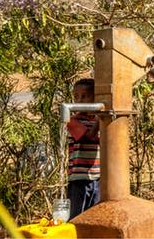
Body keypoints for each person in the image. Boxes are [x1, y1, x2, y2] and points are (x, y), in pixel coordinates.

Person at [66, 78, 101, 219]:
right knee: (77, 216)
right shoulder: (73, 120)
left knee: (94, 216)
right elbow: (89, 137)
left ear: (95, 98)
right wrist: (99, 121)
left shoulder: (98, 120)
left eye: (85, 96)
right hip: (79, 178)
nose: (79, 100)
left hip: (98, 177)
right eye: (76, 97)